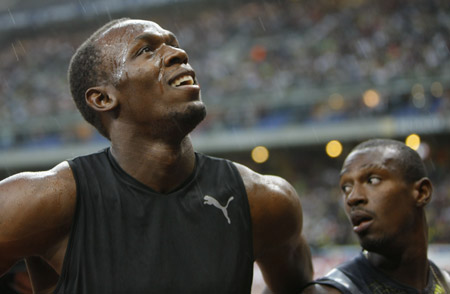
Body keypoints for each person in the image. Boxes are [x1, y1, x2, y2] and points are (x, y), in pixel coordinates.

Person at [0, 18, 313, 293]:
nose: (179, 53)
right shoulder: (39, 201)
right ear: (103, 98)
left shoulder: (266, 201)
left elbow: (300, 290)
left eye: (173, 44)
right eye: (146, 50)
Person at [302, 138, 450, 293]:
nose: (352, 198)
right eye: (346, 187)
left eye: (372, 180)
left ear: (421, 192)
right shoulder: (331, 291)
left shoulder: (444, 283)